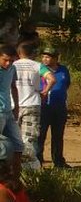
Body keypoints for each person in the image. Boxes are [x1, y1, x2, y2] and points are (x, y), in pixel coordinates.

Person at [12, 42, 54, 170]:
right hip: (32, 104)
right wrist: (45, 91)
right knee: (29, 138)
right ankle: (30, 168)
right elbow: (52, 79)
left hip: (14, 105)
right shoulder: (37, 65)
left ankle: (14, 167)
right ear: (32, 54)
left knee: (13, 136)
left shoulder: (12, 65)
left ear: (19, 53)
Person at [38, 46, 71, 168]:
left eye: (48, 56)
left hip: (59, 108)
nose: (44, 59)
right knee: (40, 135)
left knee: (58, 136)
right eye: (43, 56)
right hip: (43, 107)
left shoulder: (63, 70)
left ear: (56, 58)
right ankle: (38, 161)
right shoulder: (40, 70)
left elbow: (66, 84)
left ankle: (58, 161)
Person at [0, 48, 23, 171]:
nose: (8, 63)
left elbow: (13, 87)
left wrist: (17, 107)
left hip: (8, 111)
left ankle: (15, 179)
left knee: (18, 144)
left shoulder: (12, 69)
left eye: (11, 61)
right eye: (5, 60)